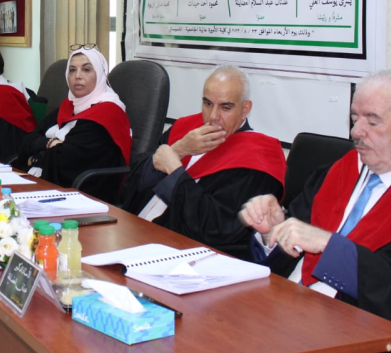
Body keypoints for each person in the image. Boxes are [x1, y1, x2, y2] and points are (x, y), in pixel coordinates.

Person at [239, 67, 391, 353]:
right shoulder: (338, 172)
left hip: (358, 344)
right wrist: (272, 231)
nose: (355, 132)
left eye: (372, 121)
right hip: (284, 313)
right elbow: (290, 248)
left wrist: (331, 248)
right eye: (354, 118)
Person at [121, 65, 285, 260]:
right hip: (134, 230)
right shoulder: (185, 129)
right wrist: (178, 150)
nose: (213, 116)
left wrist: (175, 170)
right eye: (207, 103)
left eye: (225, 107)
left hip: (183, 254)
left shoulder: (259, 156)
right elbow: (130, 185)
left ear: (245, 109)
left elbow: (218, 228)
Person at [19, 46, 130, 200]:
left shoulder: (108, 113)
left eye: (86, 70)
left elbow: (65, 159)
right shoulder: (69, 105)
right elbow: (27, 141)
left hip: (83, 194)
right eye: (72, 70)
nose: (77, 76)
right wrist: (49, 144)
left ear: (100, 75)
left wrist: (34, 158)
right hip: (47, 182)